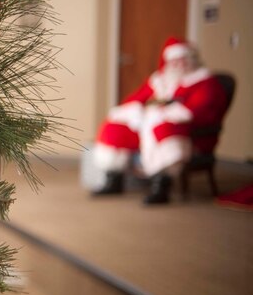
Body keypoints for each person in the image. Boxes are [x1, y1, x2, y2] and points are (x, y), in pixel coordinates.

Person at [91, 36, 229, 204]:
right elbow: (136, 99)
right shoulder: (160, 80)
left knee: (163, 129)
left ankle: (161, 185)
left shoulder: (205, 81)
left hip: (190, 133)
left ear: (192, 60)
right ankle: (113, 179)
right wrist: (138, 113)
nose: (179, 64)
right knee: (114, 127)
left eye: (183, 60)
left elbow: (200, 112)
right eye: (174, 60)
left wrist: (162, 114)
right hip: (149, 123)